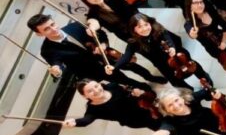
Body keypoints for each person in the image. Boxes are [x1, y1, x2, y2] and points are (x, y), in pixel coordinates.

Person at [27, 13, 159, 90]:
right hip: (94, 69)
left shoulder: (75, 27)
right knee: (122, 79)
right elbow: (57, 65)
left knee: (133, 66)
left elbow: (101, 34)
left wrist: (103, 45)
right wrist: (57, 70)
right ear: (39, 34)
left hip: (108, 54)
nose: (54, 29)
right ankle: (143, 86)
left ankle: (150, 77)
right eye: (47, 29)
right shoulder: (47, 50)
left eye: (53, 24)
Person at [115, 13, 213, 89]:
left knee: (195, 67)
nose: (144, 29)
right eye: (139, 27)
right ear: (134, 30)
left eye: (146, 24)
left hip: (178, 55)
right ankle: (190, 92)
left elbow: (168, 38)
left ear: (150, 23)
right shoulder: (134, 42)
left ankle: (207, 82)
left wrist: (172, 47)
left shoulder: (158, 28)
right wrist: (114, 67)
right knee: (176, 82)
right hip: (162, 64)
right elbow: (126, 56)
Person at [62, 79, 162, 131]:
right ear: (84, 96)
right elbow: (86, 121)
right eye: (90, 91)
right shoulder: (93, 110)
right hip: (137, 120)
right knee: (160, 126)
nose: (96, 91)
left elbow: (127, 90)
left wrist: (135, 91)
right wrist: (74, 122)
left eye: (96, 86)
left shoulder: (112, 86)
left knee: (164, 111)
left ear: (99, 84)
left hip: (144, 106)